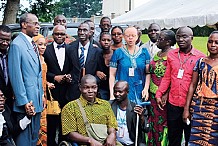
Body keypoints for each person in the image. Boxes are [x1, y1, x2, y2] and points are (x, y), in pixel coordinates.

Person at [155, 26, 205, 146]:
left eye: (184, 36)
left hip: (191, 105)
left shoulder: (200, 57)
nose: (181, 39)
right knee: (174, 137)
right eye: (178, 36)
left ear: (191, 38)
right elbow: (167, 77)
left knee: (190, 137)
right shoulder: (172, 55)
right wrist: (159, 93)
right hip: (173, 104)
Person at [8, 13, 44, 146]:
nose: (38, 26)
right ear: (24, 25)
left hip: (36, 102)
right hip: (26, 105)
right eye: (35, 23)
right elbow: (16, 77)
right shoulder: (17, 45)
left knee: (34, 139)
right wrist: (24, 102)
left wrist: (41, 96)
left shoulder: (32, 43)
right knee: (24, 141)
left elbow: (37, 75)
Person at [183, 31, 218, 145]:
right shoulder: (200, 62)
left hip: (216, 109)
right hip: (199, 107)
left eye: (217, 43)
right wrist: (186, 109)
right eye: (210, 42)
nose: (213, 45)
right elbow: (192, 85)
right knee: (196, 140)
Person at [61, 74, 118, 145]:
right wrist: (89, 140)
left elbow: (112, 125)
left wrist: (112, 135)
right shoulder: (70, 107)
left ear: (97, 87)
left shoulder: (105, 105)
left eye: (93, 87)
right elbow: (69, 133)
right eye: (86, 87)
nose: (90, 91)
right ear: (80, 88)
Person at [43, 25, 71, 146]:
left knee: (64, 124)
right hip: (51, 92)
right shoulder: (46, 50)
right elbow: (42, 69)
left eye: (62, 34)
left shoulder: (71, 49)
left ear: (66, 35)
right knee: (51, 124)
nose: (59, 36)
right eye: (57, 34)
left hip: (67, 92)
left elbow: (75, 67)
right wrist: (54, 77)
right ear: (53, 35)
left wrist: (69, 76)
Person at [147, 30, 176, 146]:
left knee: (163, 123)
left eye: (160, 39)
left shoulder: (173, 55)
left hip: (164, 96)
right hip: (152, 95)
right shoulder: (157, 54)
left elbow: (173, 77)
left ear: (168, 42)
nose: (157, 41)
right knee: (153, 121)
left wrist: (166, 93)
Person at [109, 26, 150, 103]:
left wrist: (146, 89)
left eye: (133, 36)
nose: (130, 38)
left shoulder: (144, 52)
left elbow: (148, 73)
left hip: (139, 89)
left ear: (137, 37)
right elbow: (112, 75)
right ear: (124, 37)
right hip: (122, 90)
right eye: (128, 36)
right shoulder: (118, 52)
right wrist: (112, 93)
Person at [66, 22, 103, 100]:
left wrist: (92, 82)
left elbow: (101, 73)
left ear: (90, 32)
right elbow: (67, 69)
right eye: (80, 30)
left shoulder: (97, 51)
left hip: (90, 93)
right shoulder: (70, 49)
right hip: (73, 92)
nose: (82, 32)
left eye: (85, 30)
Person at [110, 81, 146, 146]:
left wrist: (141, 117)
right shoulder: (109, 105)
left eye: (120, 92)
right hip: (114, 143)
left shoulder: (135, 108)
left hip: (130, 144)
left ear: (127, 92)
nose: (117, 94)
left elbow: (146, 129)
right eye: (115, 91)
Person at [0, 25, 14, 110]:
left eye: (7, 40)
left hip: (8, 101)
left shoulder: (11, 55)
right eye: (2, 39)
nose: (5, 43)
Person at [97, 32, 113, 100]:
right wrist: (96, 72)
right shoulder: (97, 54)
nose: (106, 42)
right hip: (102, 87)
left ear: (111, 42)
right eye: (103, 40)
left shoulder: (116, 54)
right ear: (99, 41)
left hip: (115, 86)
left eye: (108, 40)